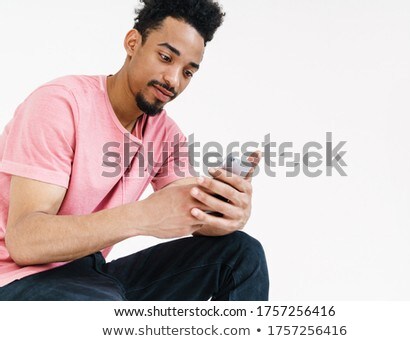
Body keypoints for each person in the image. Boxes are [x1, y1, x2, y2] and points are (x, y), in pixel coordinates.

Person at [0, 0, 269, 300]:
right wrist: (141, 216)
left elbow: (188, 209)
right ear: (132, 43)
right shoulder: (61, 105)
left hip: (91, 274)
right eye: (166, 57)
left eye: (188, 72)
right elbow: (24, 242)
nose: (173, 80)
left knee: (242, 255)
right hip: (16, 280)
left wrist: (226, 210)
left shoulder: (166, 135)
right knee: (107, 308)